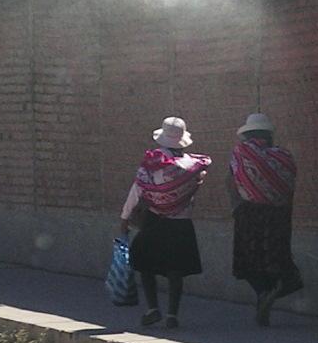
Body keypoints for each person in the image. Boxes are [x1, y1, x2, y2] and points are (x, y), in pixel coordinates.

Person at [119, 117, 211, 330]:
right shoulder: (192, 166)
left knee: (145, 264)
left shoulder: (152, 164)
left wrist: (125, 218)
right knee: (176, 271)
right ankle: (172, 314)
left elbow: (137, 190)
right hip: (181, 224)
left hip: (155, 221)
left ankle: (152, 309)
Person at [227, 112, 302, 326]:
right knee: (277, 256)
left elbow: (232, 182)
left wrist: (237, 207)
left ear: (247, 135)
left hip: (249, 213)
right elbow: (289, 184)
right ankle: (272, 292)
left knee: (247, 260)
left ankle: (263, 293)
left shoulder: (241, 154)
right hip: (279, 215)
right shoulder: (284, 156)